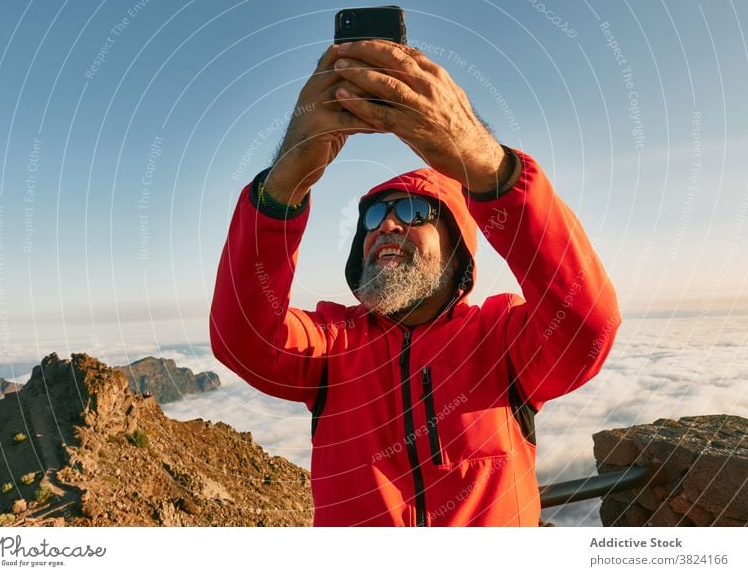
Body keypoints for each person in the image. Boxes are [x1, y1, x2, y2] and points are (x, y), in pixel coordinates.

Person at [210, 40, 621, 526]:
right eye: (375, 216)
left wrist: (483, 160)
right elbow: (243, 339)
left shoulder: (502, 341)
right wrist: (286, 182)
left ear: (456, 245)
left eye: (412, 212)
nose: (385, 226)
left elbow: (585, 322)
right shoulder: (334, 348)